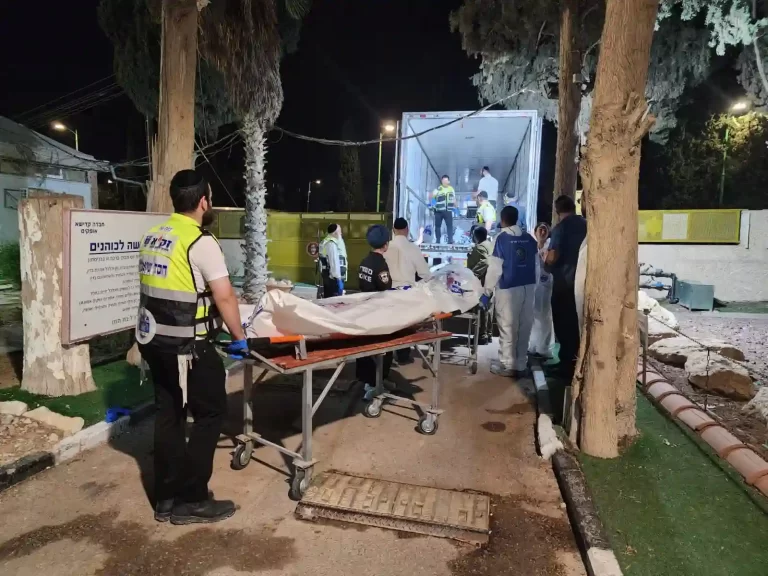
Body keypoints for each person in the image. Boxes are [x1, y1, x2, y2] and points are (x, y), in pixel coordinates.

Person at [136, 170, 246, 525]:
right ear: (203, 201)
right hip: (190, 346)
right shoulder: (201, 241)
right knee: (211, 412)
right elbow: (225, 296)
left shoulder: (155, 234)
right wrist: (240, 337)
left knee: (169, 414)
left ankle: (165, 498)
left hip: (154, 342)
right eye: (210, 198)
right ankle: (193, 498)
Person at [482, 206, 538, 377]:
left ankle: (507, 364)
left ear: (502, 219)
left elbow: (495, 269)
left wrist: (486, 291)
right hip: (528, 288)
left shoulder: (501, 239)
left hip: (508, 289)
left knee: (508, 326)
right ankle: (521, 363)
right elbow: (536, 265)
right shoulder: (529, 238)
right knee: (524, 326)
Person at [544, 195, 587, 379]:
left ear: (557, 210)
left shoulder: (560, 229)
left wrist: (545, 259)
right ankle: (578, 363)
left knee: (563, 324)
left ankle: (566, 367)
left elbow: (552, 256)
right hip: (582, 282)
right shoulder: (585, 224)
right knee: (578, 325)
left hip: (563, 283)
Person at [357, 224, 396, 398]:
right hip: (379, 313)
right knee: (382, 350)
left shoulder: (364, 261)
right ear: (385, 245)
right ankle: (377, 383)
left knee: (367, 348)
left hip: (365, 311)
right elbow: (385, 287)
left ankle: (370, 381)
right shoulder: (380, 265)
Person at [528, 223, 554, 358]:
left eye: (545, 229)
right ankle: (532, 345)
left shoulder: (550, 245)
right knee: (533, 316)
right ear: (536, 231)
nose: (542, 231)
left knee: (545, 316)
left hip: (546, 285)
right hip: (534, 286)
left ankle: (543, 348)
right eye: (540, 229)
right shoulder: (532, 246)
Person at [384, 217, 431, 287]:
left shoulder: (386, 247)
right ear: (407, 230)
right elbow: (425, 274)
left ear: (393, 230)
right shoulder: (414, 248)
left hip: (388, 289)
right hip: (407, 292)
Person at [467, 225, 494, 344]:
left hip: (482, 281)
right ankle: (488, 334)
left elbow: (485, 261)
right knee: (488, 308)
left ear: (476, 236)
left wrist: (473, 273)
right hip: (490, 281)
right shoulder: (490, 245)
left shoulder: (480, 247)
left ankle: (481, 336)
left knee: (480, 308)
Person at [319, 223, 348, 298]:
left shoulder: (330, 241)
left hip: (331, 276)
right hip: (333, 278)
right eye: (340, 231)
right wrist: (337, 277)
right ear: (335, 233)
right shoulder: (331, 243)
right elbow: (334, 261)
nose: (341, 233)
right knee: (334, 301)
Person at [430, 175, 456, 244]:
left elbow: (454, 199)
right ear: (441, 181)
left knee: (449, 226)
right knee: (438, 226)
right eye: (443, 181)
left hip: (448, 211)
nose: (444, 182)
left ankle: (450, 240)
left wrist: (456, 208)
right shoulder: (438, 189)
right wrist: (433, 204)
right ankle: (438, 240)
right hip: (438, 211)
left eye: (446, 180)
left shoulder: (451, 189)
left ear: (449, 181)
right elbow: (431, 197)